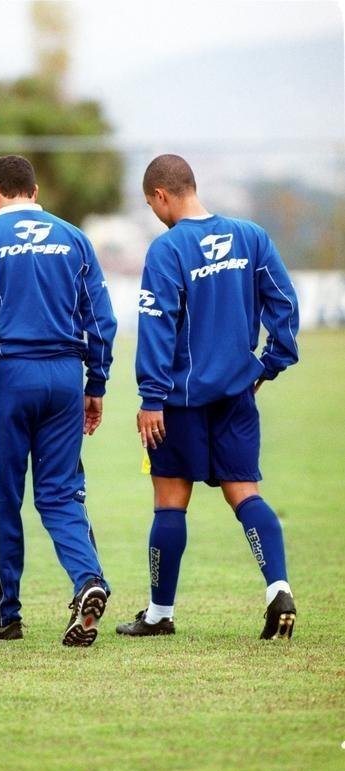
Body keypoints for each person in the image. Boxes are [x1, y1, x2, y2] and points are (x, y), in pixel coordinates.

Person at [116, 154, 299, 641]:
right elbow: (285, 300)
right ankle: (278, 587)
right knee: (246, 494)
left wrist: (150, 397)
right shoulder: (251, 236)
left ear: (160, 195)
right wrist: (272, 361)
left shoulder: (168, 249)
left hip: (179, 402)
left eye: (151, 203)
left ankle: (159, 613)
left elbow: (156, 327)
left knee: (170, 502)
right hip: (237, 394)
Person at [0, 155, 117, 647]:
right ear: (35, 192)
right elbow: (103, 320)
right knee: (60, 494)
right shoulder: (74, 238)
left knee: (0, 499)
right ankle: (88, 580)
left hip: (8, 380)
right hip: (64, 378)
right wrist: (95, 385)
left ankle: (4, 617)